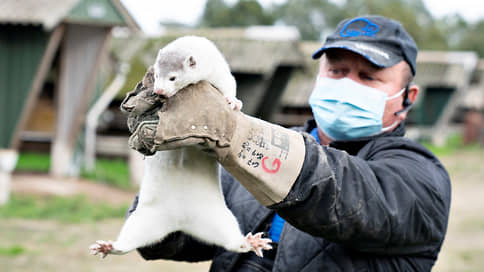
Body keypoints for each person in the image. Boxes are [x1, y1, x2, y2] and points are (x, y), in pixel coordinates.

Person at [124, 15, 451, 271]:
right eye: (336, 70)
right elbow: (177, 239)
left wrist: (233, 133)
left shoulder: (421, 179)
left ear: (408, 97)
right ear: (319, 76)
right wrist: (172, 166)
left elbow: (342, 191)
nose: (347, 84)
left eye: (368, 77)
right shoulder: (255, 151)